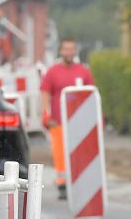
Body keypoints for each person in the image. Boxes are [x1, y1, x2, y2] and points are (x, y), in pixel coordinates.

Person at [40, 37, 94, 199]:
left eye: (72, 49)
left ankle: (79, 182)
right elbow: (45, 93)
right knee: (60, 154)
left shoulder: (83, 71)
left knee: (80, 153)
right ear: (61, 51)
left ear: (75, 51)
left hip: (79, 122)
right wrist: (46, 114)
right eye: (66, 49)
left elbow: (90, 93)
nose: (69, 52)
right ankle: (62, 184)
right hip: (58, 120)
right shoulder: (53, 71)